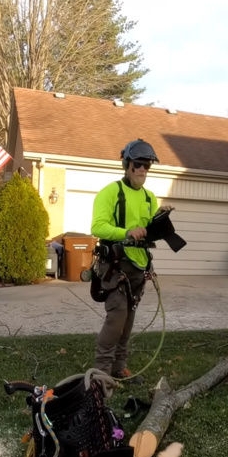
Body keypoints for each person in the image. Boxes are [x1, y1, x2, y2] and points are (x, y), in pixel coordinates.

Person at [90, 139, 173, 379]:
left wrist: (159, 218)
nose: (142, 170)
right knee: (116, 318)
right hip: (115, 265)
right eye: (137, 164)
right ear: (126, 165)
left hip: (139, 266)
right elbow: (97, 226)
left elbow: (146, 229)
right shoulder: (111, 192)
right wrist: (125, 232)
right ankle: (101, 373)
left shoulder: (149, 198)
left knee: (128, 320)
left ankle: (119, 367)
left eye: (146, 166)